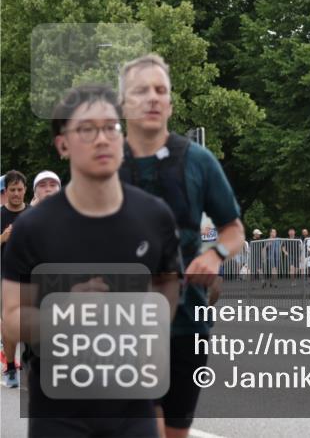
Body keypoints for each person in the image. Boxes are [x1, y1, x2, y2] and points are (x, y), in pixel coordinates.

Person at [1, 84, 181, 437]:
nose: (102, 139)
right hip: (60, 407)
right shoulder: (32, 228)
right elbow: (10, 321)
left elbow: (169, 289)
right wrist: (66, 311)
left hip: (133, 402)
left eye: (111, 127)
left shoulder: (154, 216)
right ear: (62, 144)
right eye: (86, 129)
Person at [118, 54, 244, 438]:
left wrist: (214, 254)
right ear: (124, 103)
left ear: (170, 104)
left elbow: (233, 228)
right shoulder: (103, 163)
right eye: (142, 90)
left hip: (186, 323)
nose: (153, 98)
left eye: (161, 90)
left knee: (175, 431)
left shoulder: (199, 161)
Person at [1, 169, 29, 386]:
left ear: (25, 190)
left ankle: (30, 367)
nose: (16, 194)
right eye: (13, 190)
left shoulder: (33, 215)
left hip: (30, 276)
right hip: (5, 278)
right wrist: (3, 237)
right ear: (6, 191)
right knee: (10, 325)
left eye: (20, 189)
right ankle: (10, 367)